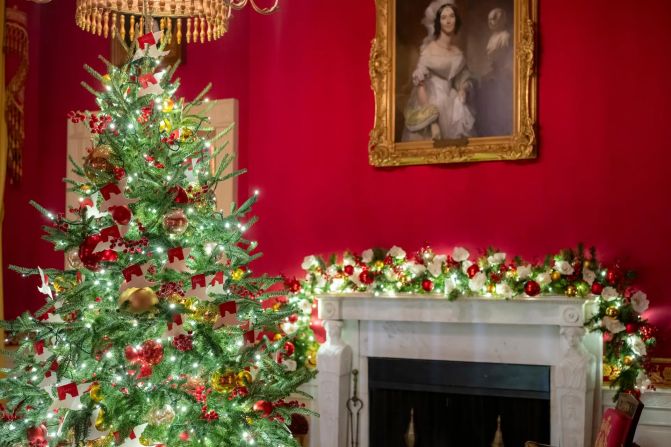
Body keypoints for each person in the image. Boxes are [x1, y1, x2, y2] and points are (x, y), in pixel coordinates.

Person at [402, 2, 476, 141]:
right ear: (438, 22)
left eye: (451, 16)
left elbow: (464, 78)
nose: (448, 21)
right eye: (443, 17)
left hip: (453, 104)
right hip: (431, 102)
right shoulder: (429, 50)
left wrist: (463, 89)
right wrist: (432, 120)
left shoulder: (458, 53)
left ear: (456, 20)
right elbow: (421, 85)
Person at [476, 7, 513, 136]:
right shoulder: (492, 37)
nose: (491, 22)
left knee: (500, 103)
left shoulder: (505, 37)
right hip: (493, 72)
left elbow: (507, 57)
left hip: (502, 73)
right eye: (489, 19)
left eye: (494, 18)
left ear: (502, 19)